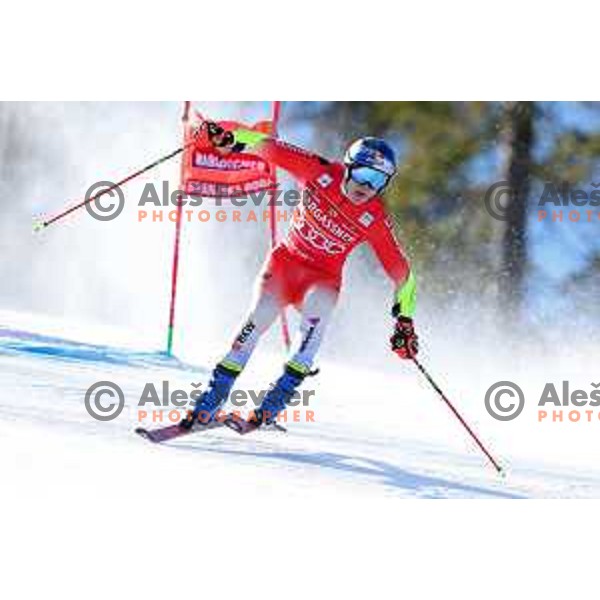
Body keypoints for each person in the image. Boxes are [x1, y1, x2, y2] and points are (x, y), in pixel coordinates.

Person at [181, 121, 418, 431]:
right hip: (284, 265)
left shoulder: (373, 217)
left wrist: (405, 321)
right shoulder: (318, 171)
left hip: (321, 280)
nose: (367, 186)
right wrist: (225, 138)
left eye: (378, 180)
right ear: (347, 167)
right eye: (362, 173)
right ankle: (209, 404)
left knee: (312, 329)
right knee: (256, 321)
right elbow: (264, 144)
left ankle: (270, 407)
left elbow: (404, 276)